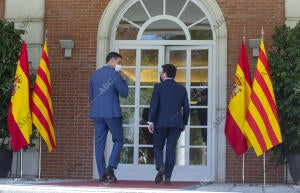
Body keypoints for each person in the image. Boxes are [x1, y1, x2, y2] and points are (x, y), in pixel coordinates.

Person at [88, 52, 128, 183]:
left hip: (97, 114)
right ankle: (110, 168)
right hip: (112, 113)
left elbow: (90, 96)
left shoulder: (94, 74)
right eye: (119, 62)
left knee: (99, 144)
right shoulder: (115, 74)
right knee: (119, 140)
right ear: (112, 60)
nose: (119, 65)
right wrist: (123, 78)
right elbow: (125, 93)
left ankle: (102, 175)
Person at [147, 64, 190, 185]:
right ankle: (168, 179)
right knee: (171, 149)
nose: (160, 75)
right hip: (176, 124)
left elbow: (154, 105)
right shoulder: (181, 89)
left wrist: (150, 121)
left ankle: (160, 166)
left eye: (161, 73)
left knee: (158, 146)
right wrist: (184, 122)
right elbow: (187, 108)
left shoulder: (158, 87)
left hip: (160, 123)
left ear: (165, 74)